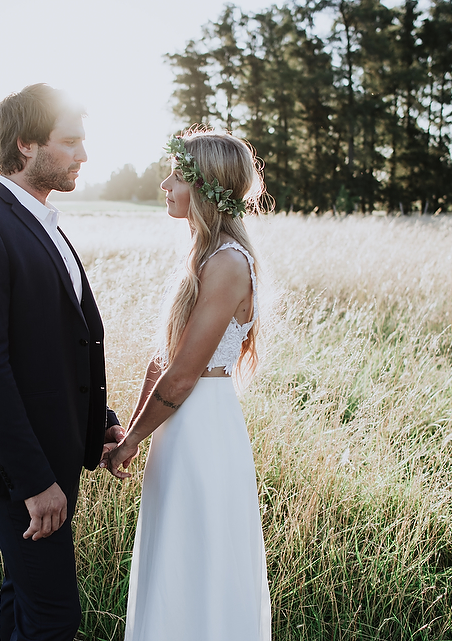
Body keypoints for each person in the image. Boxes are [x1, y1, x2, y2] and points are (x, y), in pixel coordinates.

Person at [0, 83, 123, 641]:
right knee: (54, 616)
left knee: (25, 600)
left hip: (54, 448)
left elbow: (62, 344)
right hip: (20, 463)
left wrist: (101, 419)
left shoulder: (45, 223)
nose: (83, 156)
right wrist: (35, 481)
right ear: (25, 145)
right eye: (70, 142)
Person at [102, 129, 272, 640]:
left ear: (206, 185)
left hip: (203, 428)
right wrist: (131, 431)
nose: (165, 184)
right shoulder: (200, 258)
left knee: (202, 558)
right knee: (173, 555)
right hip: (179, 429)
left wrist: (131, 441)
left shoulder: (226, 263)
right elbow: (164, 359)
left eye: (177, 175)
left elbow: (182, 376)